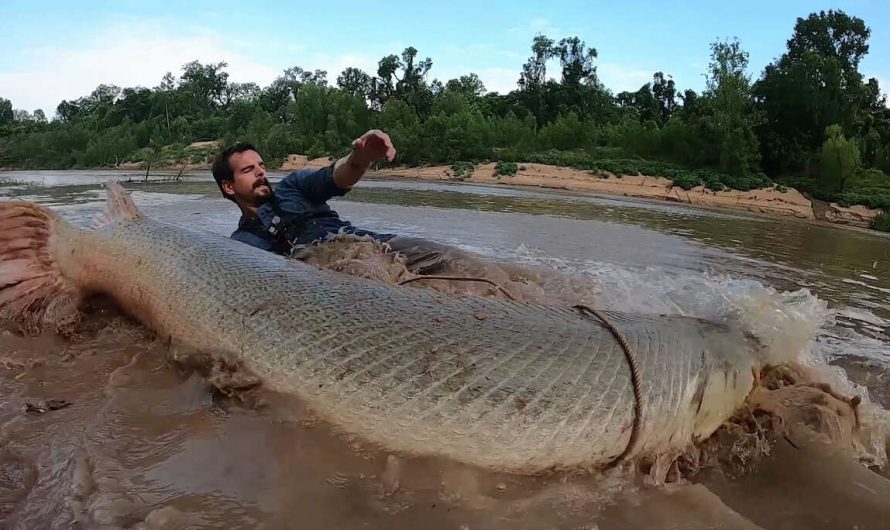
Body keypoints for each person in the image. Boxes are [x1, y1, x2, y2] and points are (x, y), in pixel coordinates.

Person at [211, 130, 482, 276]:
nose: (261, 172)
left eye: (261, 165)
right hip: (328, 274)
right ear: (228, 186)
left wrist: (360, 159)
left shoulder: (293, 187)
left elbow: (336, 177)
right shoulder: (240, 245)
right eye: (248, 170)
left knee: (447, 257)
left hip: (367, 244)